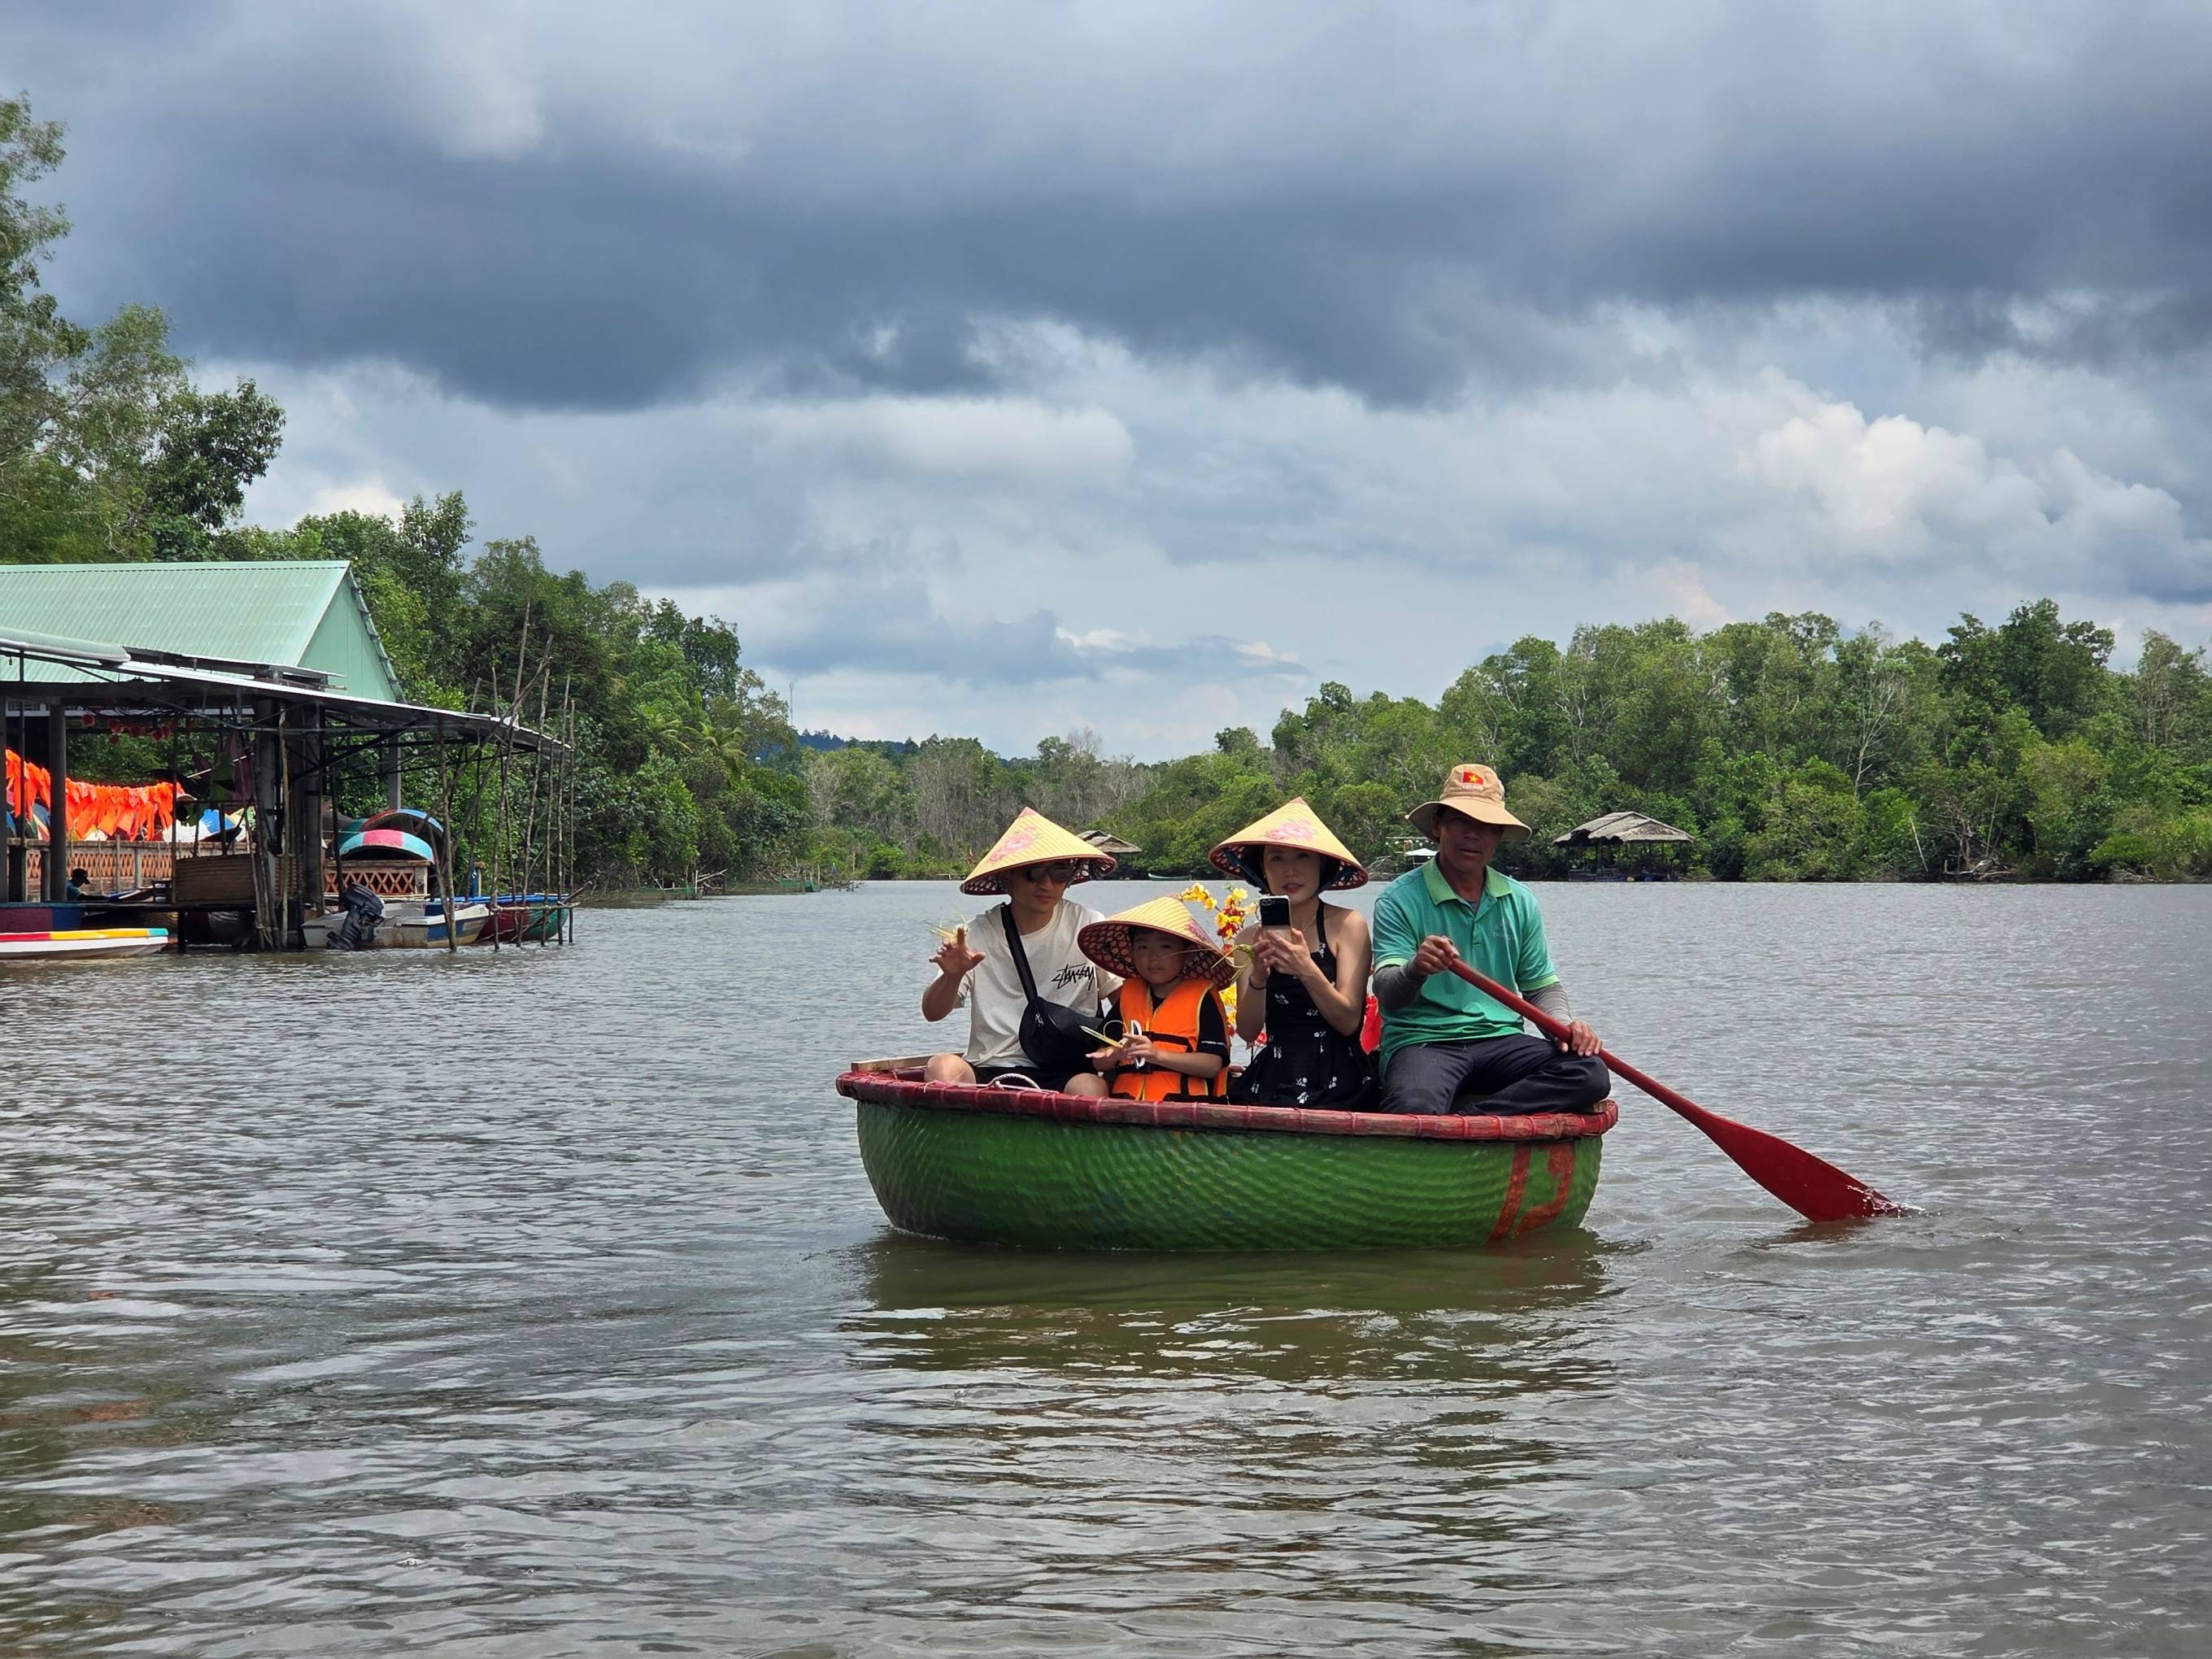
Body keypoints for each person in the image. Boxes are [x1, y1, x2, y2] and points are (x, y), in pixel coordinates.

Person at [1370, 764, 1608, 1116]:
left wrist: (1563, 1027)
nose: (1473, 835)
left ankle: (1466, 1123)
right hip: (1424, 1042)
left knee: (1589, 1074)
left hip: (1500, 1039)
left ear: (1499, 836)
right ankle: (1449, 1129)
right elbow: (1388, 992)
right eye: (1461, 822)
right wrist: (1416, 968)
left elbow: (1541, 988)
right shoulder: (1398, 899)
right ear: (1438, 826)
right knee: (1412, 1105)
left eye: (1486, 827)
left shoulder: (1519, 900)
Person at [922, 808, 1118, 1095]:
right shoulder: (978, 933)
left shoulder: (1088, 925)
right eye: (1033, 873)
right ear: (1008, 877)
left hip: (1065, 1066)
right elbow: (932, 1012)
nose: (1047, 884)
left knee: (1090, 1087)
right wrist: (952, 976)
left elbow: (1125, 999)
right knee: (942, 1067)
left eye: (1060, 872)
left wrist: (1114, 1046)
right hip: (991, 1064)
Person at [1210, 798, 1377, 1109]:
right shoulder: (1249, 938)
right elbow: (1247, 1030)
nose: (1290, 870)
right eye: (1276, 858)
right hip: (1274, 1072)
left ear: (1320, 865)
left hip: (1339, 1076)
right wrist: (1259, 975)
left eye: (1303, 857)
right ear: (1263, 868)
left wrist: (1306, 968)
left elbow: (1348, 1022)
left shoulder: (1347, 925)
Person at [1076, 897, 1235, 1100]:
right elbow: (1099, 1061)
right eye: (1143, 947)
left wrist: (1157, 1055)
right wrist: (1116, 1054)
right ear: (1131, 952)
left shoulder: (1202, 999)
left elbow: (1212, 1065)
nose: (1153, 958)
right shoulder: (1128, 997)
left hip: (1184, 1112)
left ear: (1187, 955)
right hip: (1128, 1108)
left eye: (1166, 947)